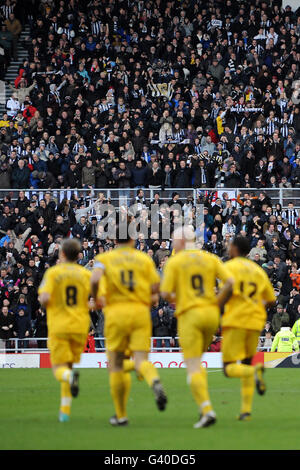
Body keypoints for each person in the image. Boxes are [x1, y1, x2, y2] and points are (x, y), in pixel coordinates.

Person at [90, 224, 167, 427]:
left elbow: (95, 278)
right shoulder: (143, 259)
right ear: (133, 239)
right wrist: (152, 298)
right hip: (140, 313)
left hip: (116, 314)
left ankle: (121, 415)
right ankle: (154, 381)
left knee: (115, 365)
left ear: (114, 241)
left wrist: (97, 297)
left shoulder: (104, 260)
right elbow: (156, 286)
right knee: (141, 359)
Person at [160, 225, 233, 428]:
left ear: (182, 241)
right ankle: (204, 407)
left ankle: (207, 410)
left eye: (174, 241)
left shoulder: (176, 262)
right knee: (198, 362)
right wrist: (217, 301)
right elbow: (231, 282)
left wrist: (181, 297)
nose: (173, 244)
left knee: (192, 366)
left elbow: (165, 294)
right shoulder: (210, 258)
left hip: (190, 315)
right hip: (211, 314)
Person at [220, 236, 276, 422]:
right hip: (255, 322)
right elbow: (271, 300)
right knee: (246, 362)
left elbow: (225, 294)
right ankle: (246, 411)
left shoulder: (228, 268)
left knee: (228, 369)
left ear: (235, 249)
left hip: (235, 321)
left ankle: (255, 372)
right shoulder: (258, 270)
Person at [38, 239, 91, 422]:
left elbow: (44, 298)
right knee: (68, 365)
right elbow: (93, 298)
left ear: (61, 253)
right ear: (78, 255)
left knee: (60, 370)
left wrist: (49, 302)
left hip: (60, 325)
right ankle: (65, 412)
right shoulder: (85, 274)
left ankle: (70, 377)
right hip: (80, 326)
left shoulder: (53, 273)